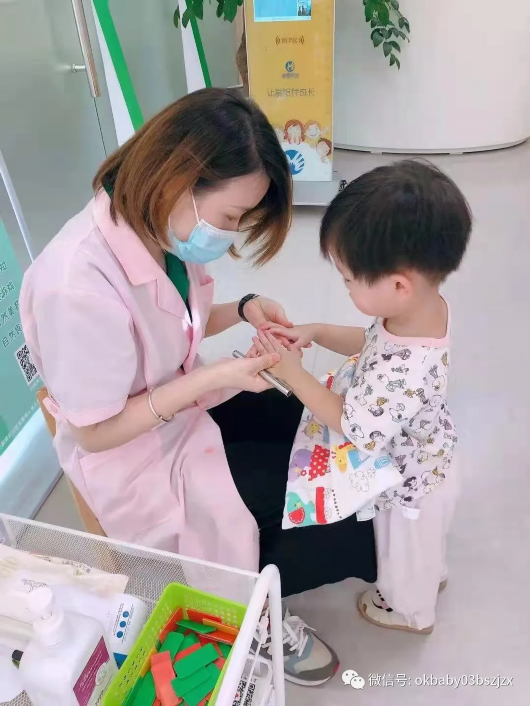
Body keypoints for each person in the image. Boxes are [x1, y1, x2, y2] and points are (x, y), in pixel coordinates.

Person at [21, 89, 376, 686]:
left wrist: (245, 307)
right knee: (295, 499)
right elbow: (95, 432)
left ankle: (304, 562)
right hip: (132, 455)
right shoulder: (74, 285)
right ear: (179, 178)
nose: (230, 234)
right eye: (232, 217)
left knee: (316, 435)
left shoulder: (155, 229)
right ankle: (253, 617)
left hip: (182, 404)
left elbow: (176, 322)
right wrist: (216, 376)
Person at [254, 160, 472, 634]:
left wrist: (294, 375)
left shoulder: (407, 367)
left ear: (398, 285)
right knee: (422, 551)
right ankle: (428, 576)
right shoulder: (420, 309)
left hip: (412, 481)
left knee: (403, 554)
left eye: (349, 279)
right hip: (431, 454)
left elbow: (354, 425)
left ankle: (411, 613)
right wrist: (316, 331)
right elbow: (371, 343)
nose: (346, 285)